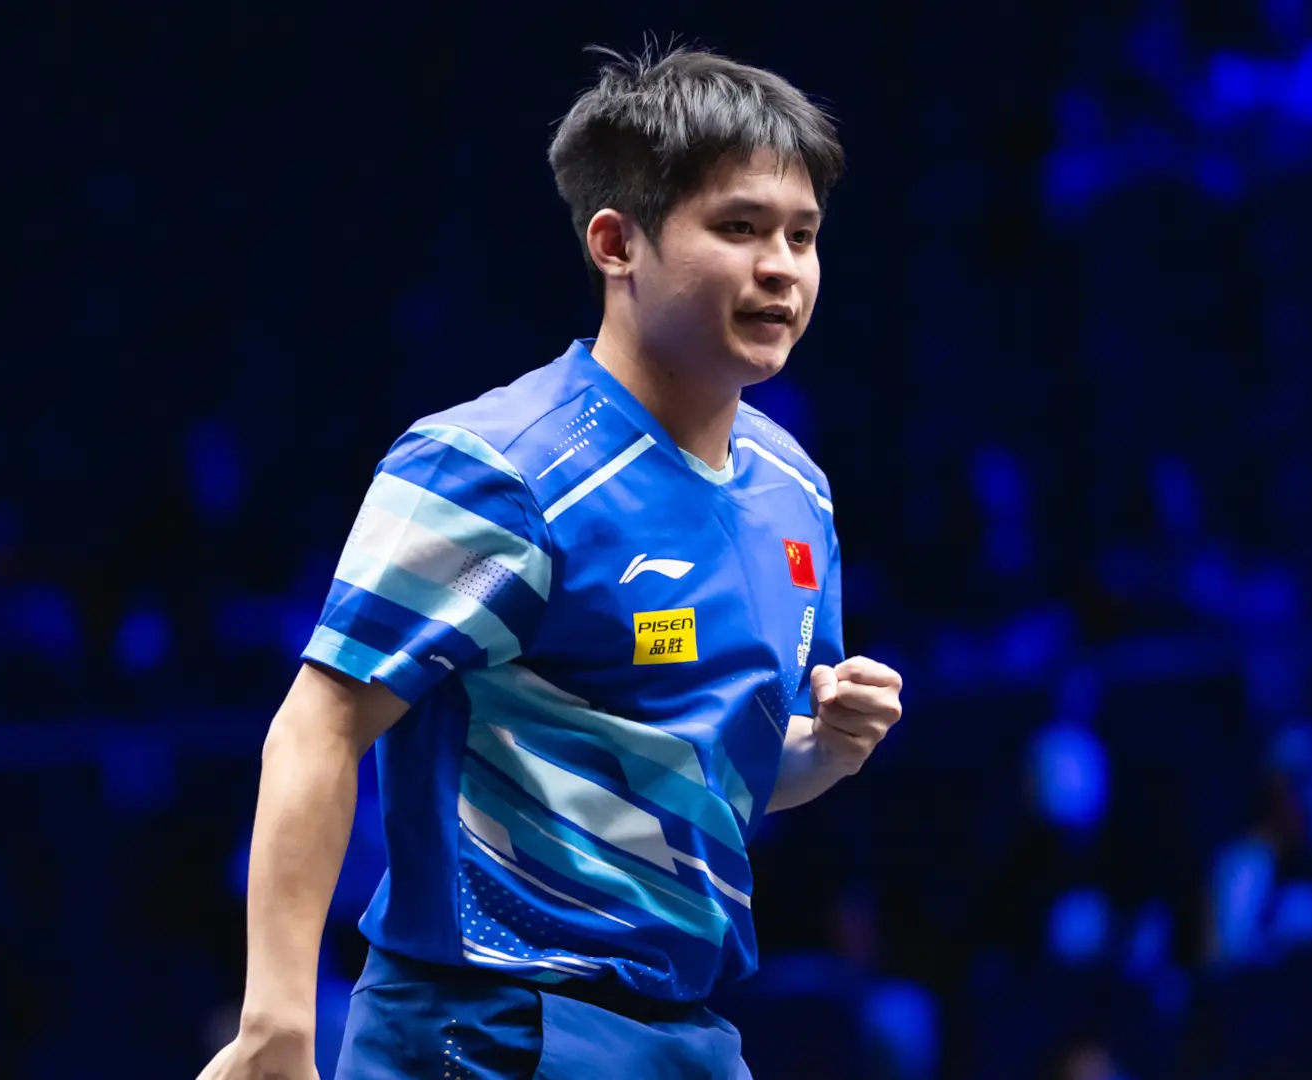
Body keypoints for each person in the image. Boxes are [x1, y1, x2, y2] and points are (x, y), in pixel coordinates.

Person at [198, 43, 905, 1080]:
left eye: (802, 235)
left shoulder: (793, 492)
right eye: (739, 228)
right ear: (616, 243)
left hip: (686, 1033)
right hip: (492, 1028)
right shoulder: (497, 468)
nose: (782, 268)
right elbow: (319, 727)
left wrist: (825, 749)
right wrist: (277, 1023)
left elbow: (717, 771)